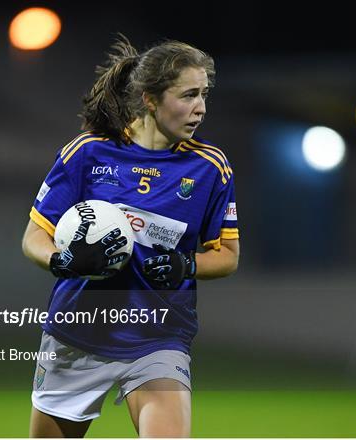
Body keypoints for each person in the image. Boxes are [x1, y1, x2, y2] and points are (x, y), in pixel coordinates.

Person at [22, 34, 240, 438]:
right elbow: (35, 236)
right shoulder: (88, 153)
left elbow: (227, 255)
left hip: (159, 335)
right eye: (189, 95)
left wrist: (187, 264)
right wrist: (60, 260)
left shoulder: (209, 168)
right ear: (150, 99)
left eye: (204, 95)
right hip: (78, 333)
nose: (201, 108)